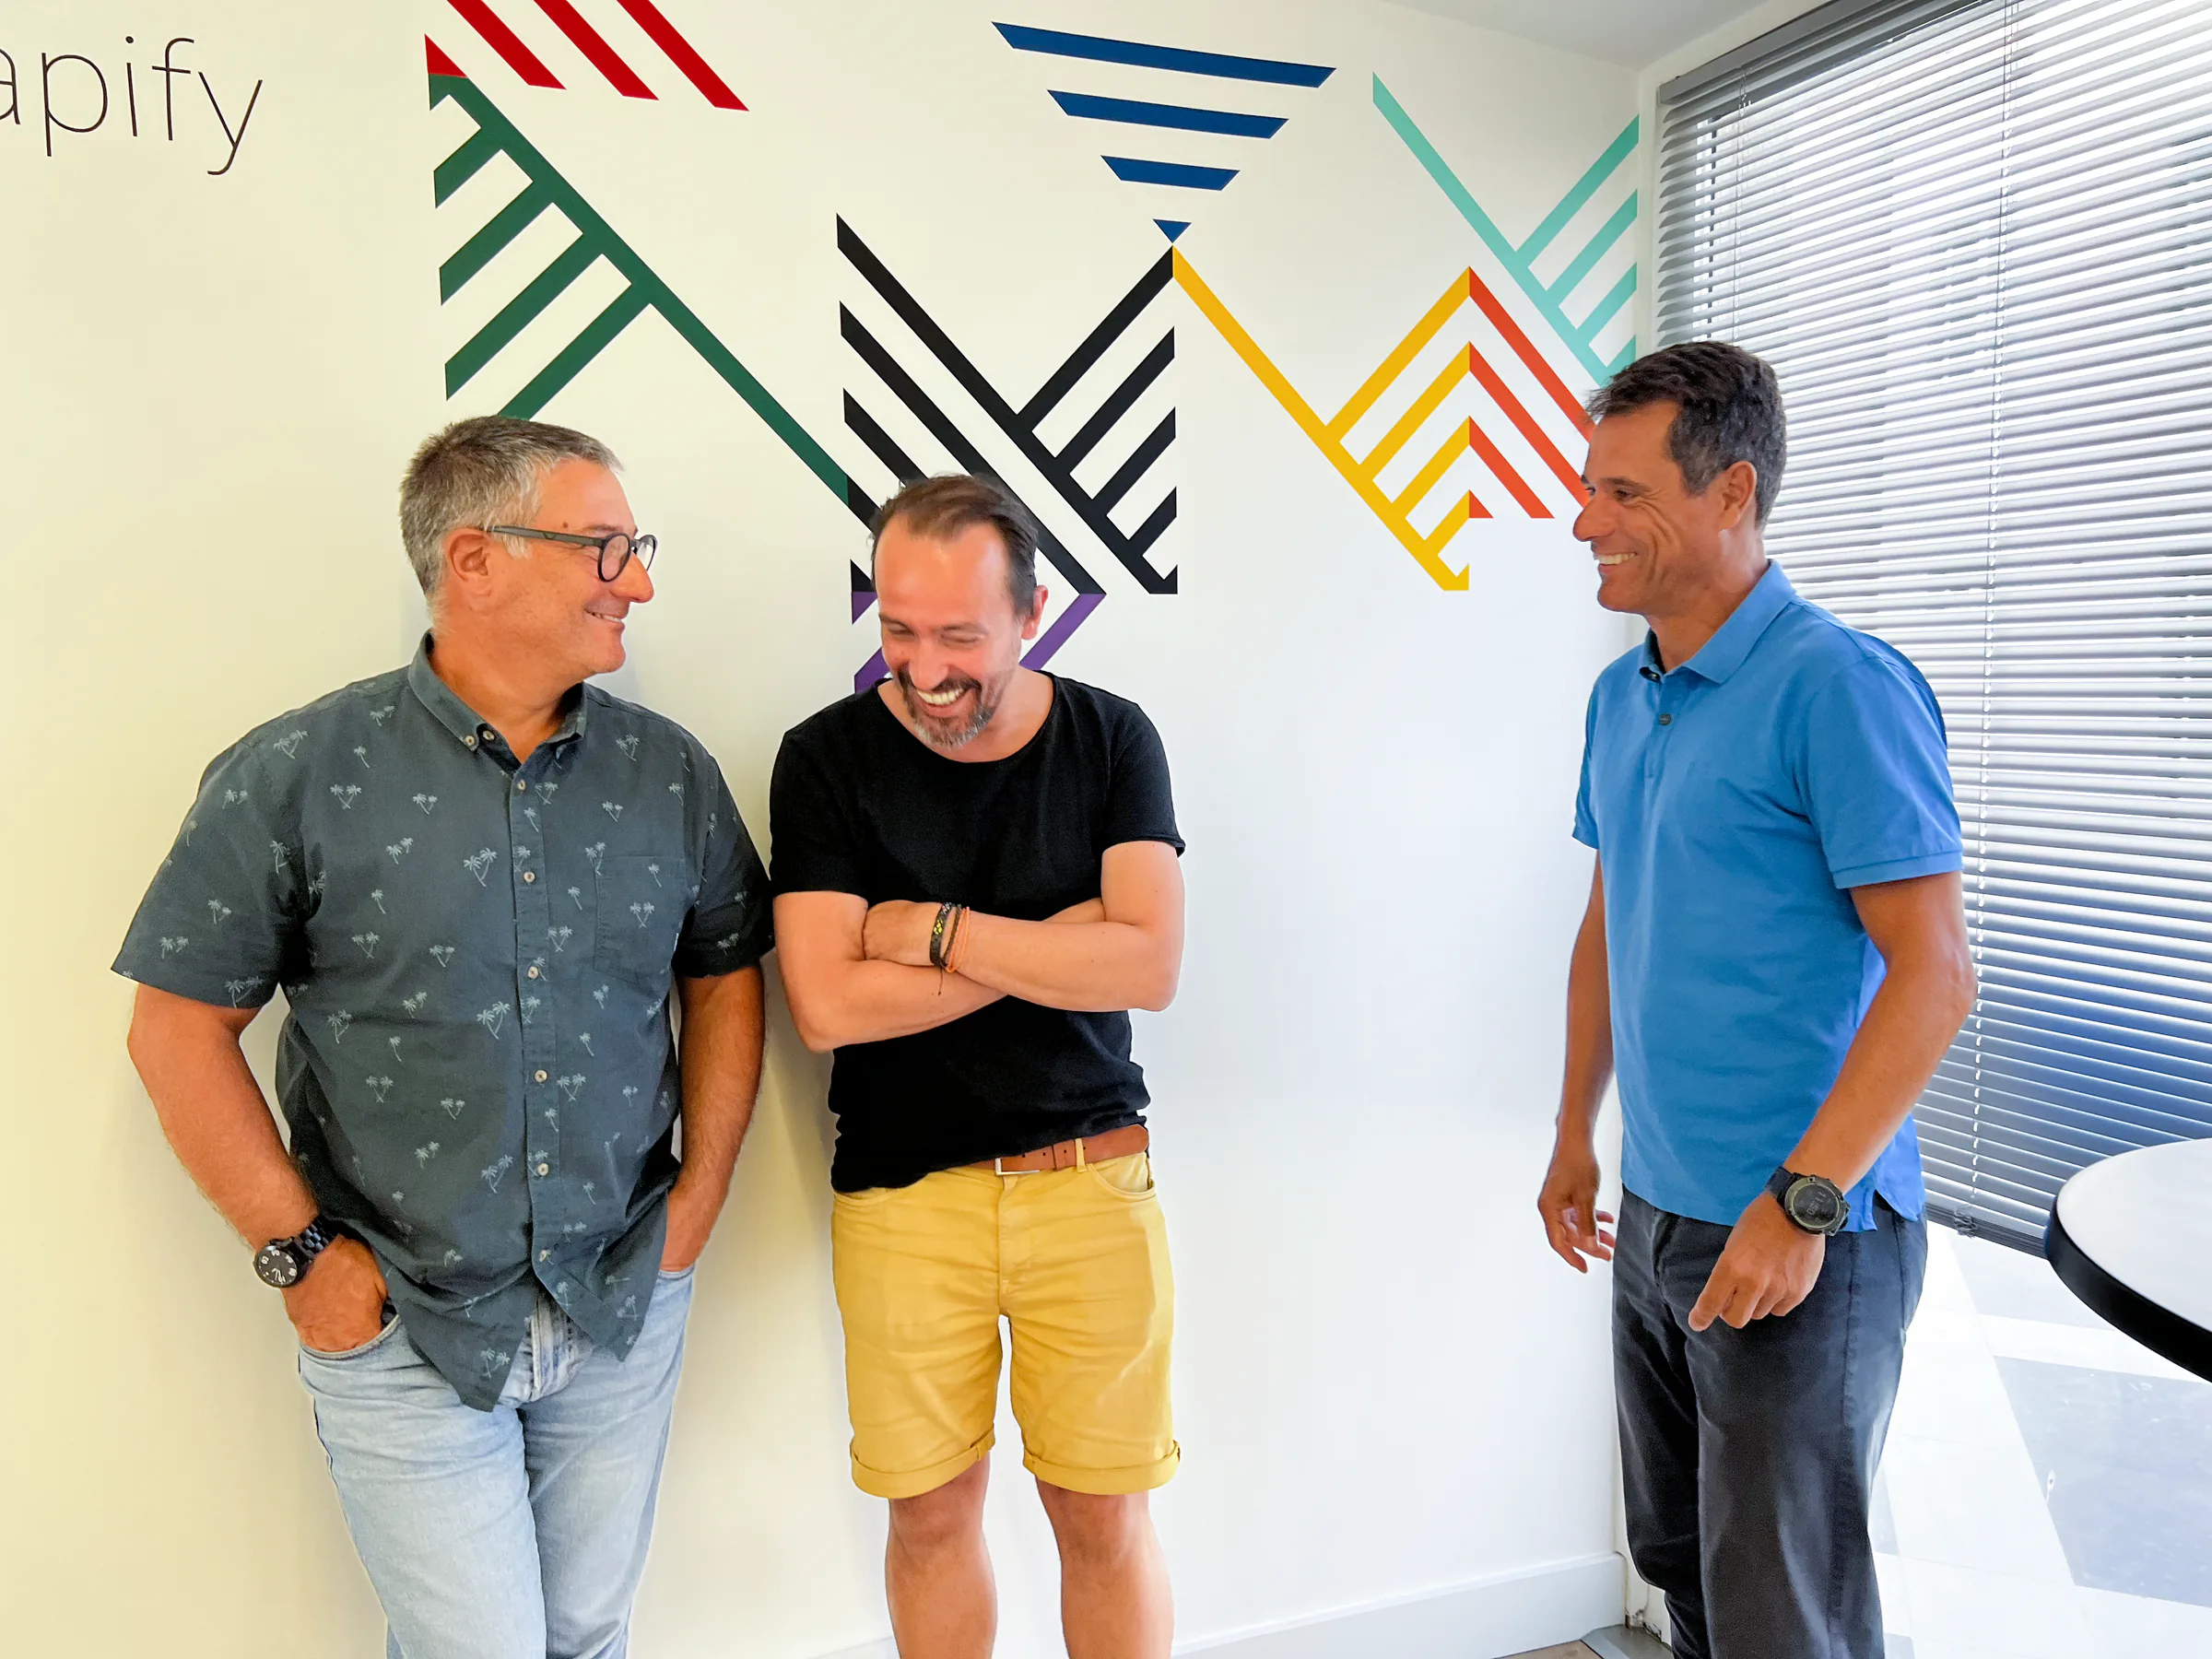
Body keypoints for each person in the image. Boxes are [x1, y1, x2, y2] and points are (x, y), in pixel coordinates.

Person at [115, 416, 771, 1659]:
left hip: (622, 1290)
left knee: (585, 1633)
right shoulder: (300, 775)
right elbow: (175, 1030)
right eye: (605, 550)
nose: (637, 581)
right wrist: (303, 1260)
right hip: (397, 1309)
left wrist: (698, 1200)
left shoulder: (667, 776)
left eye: (636, 549)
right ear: (476, 560)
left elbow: (725, 971)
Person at [1537, 343, 1975, 1658]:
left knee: (1787, 1613)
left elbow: (1937, 975)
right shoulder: (1626, 696)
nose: (1585, 523)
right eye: (1588, 486)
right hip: (1659, 1217)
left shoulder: (1840, 686)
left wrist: (1800, 1207)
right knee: (1685, 1573)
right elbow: (1614, 920)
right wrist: (1575, 1130)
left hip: (1802, 1238)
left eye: (1622, 494)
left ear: (1732, 495)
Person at [771, 473, 1185, 1659]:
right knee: (930, 1512)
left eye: (959, 634)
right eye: (899, 629)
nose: (924, 665)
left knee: (1104, 1515)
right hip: (905, 1197)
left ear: (1032, 612)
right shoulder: (827, 758)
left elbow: (1149, 966)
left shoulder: (1112, 737)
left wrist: (938, 931)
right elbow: (828, 1003)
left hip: (1092, 1179)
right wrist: (1065, 944)